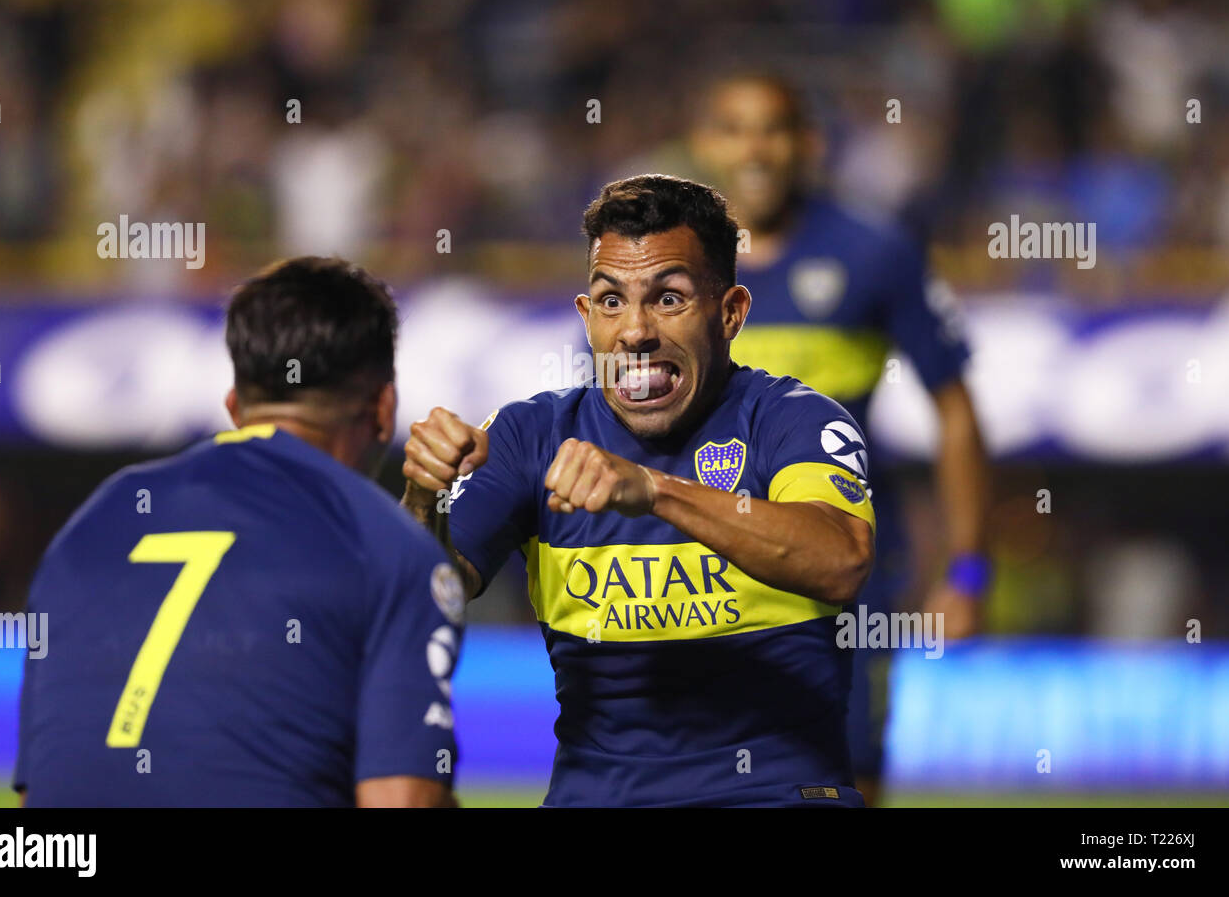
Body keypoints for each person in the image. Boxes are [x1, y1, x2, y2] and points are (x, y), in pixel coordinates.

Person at [402, 175, 876, 806]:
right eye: (610, 301)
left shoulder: (795, 421)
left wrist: (654, 490)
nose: (634, 331)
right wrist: (423, 499)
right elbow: (422, 598)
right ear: (585, 316)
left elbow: (840, 561)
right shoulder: (529, 435)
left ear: (731, 312)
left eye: (669, 299)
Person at [15, 256, 462, 807]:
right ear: (383, 409)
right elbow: (401, 803)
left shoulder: (94, 520)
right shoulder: (388, 547)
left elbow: (38, 797)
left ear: (234, 407)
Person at [688, 72, 993, 805]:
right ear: (705, 144)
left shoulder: (874, 251)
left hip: (840, 576)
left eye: (775, 129)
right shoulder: (665, 262)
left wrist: (969, 571)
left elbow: (954, 408)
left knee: (845, 777)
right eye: (735, 128)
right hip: (695, 571)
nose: (755, 149)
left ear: (809, 145)